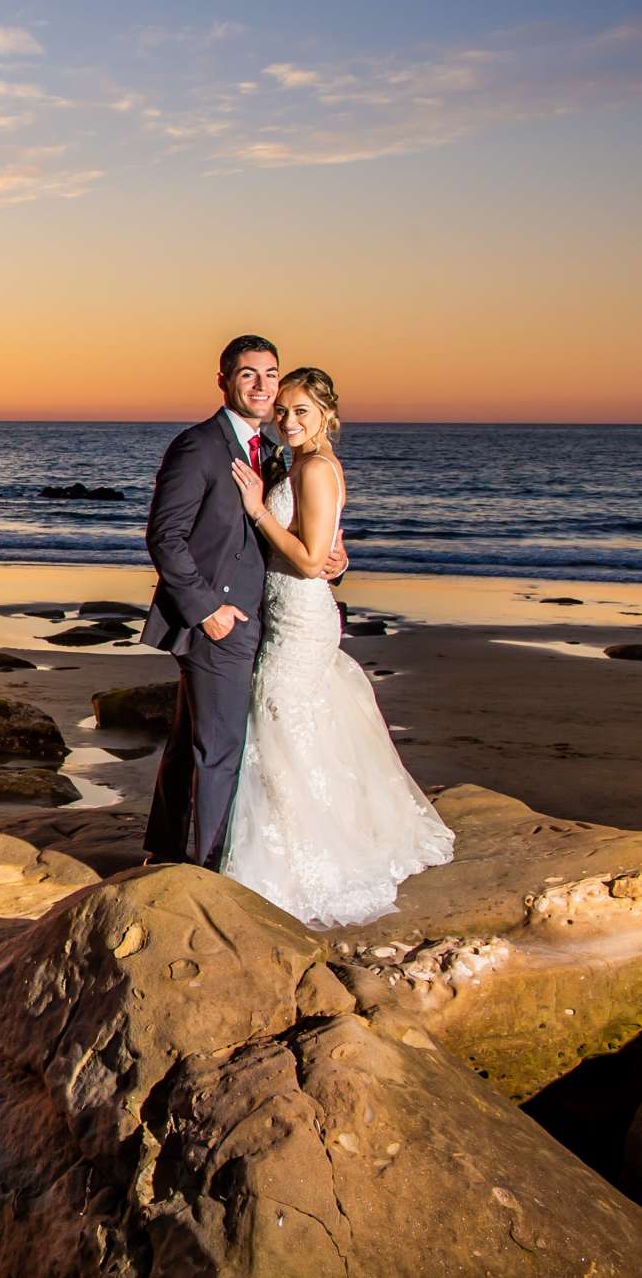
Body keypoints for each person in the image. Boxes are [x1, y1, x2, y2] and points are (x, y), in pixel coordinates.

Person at [218, 366, 453, 926]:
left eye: (301, 411)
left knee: (279, 712)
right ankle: (304, 836)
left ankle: (309, 857)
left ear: (327, 414)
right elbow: (329, 549)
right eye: (283, 410)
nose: (288, 420)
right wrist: (338, 557)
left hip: (301, 616)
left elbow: (305, 558)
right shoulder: (296, 464)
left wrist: (256, 510)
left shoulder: (317, 468)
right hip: (287, 610)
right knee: (293, 720)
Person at [138, 334, 335, 869]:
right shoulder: (199, 445)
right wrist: (207, 611)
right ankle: (210, 869)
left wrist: (327, 560)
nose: (263, 385)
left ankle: (164, 847)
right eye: (249, 374)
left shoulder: (269, 451)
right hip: (218, 621)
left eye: (271, 374)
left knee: (189, 741)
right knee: (220, 749)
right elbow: (165, 536)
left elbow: (280, 534)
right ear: (223, 380)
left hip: (260, 616)